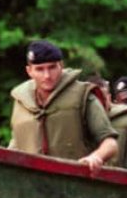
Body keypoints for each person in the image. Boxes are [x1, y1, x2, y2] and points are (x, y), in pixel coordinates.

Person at [7, 40, 118, 175]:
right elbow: (15, 147)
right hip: (30, 184)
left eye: (52, 67)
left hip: (75, 181)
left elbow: (110, 143)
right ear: (29, 71)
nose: (47, 76)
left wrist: (96, 157)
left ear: (61, 66)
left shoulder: (83, 96)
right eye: (40, 69)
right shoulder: (21, 101)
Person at [87, 75, 127, 170]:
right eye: (94, 99)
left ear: (109, 98)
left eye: (102, 98)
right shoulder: (77, 117)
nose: (97, 104)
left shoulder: (125, 121)